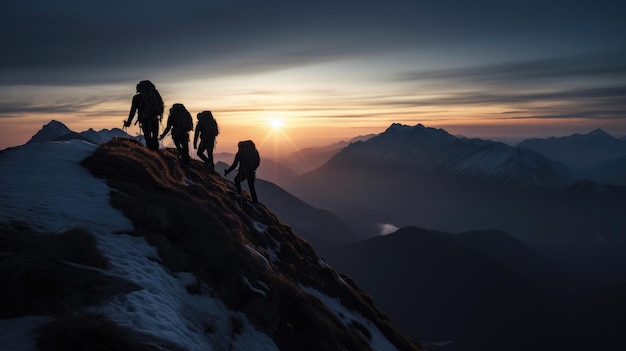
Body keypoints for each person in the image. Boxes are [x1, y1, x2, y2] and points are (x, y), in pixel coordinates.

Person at [124, 80, 164, 151]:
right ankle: (157, 152)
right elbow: (160, 106)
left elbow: (132, 111)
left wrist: (128, 122)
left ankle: (151, 152)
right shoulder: (154, 96)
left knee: (147, 136)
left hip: (144, 119)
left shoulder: (136, 98)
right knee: (155, 136)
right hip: (155, 118)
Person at [224, 140, 260, 205]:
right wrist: (253, 168)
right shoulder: (254, 151)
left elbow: (234, 165)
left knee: (236, 180)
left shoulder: (239, 154)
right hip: (252, 172)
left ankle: (239, 194)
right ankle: (255, 202)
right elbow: (257, 162)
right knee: (251, 187)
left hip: (244, 172)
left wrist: (228, 171)